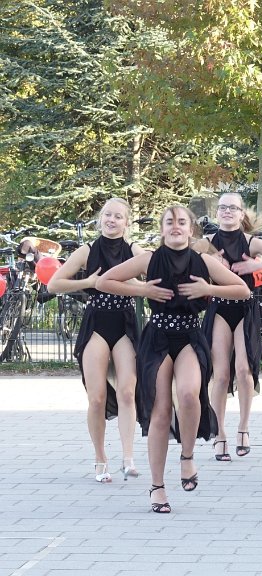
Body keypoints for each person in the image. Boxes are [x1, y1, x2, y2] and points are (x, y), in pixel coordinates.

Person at [96, 205, 249, 514]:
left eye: (182, 222)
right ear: (162, 228)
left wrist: (208, 288)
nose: (176, 227)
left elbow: (242, 290)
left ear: (190, 229)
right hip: (158, 337)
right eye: (170, 222)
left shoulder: (202, 260)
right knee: (161, 413)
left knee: (190, 394)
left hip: (190, 336)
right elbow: (103, 282)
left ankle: (188, 457)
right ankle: (157, 487)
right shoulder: (149, 259)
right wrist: (139, 289)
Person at [48, 198, 147, 482]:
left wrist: (135, 287)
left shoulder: (134, 251)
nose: (111, 220)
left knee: (128, 391)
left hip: (125, 323)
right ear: (100, 219)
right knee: (97, 398)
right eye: (107, 215)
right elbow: (54, 283)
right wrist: (88, 283)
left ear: (127, 222)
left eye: (118, 216)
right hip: (97, 323)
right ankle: (100, 459)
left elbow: (154, 280)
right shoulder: (87, 250)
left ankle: (128, 458)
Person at [198, 193, 262, 462]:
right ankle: (219, 434)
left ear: (242, 214)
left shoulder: (252, 242)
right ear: (217, 213)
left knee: (243, 368)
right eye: (222, 207)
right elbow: (179, 260)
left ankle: (243, 428)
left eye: (233, 208)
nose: (227, 211)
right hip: (219, 307)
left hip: (246, 307)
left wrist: (257, 264)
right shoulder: (206, 243)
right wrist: (208, 264)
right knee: (220, 374)